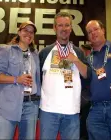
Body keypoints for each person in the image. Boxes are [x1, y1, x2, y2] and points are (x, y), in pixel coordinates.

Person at [39, 11, 91, 140]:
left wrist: (75, 60)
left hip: (72, 111)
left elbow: (87, 75)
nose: (64, 28)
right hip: (48, 110)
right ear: (54, 28)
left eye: (67, 25)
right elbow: (38, 78)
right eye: (60, 25)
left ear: (71, 28)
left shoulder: (78, 52)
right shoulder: (45, 52)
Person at [0, 21, 41, 140]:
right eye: (25, 30)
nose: (29, 33)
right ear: (19, 32)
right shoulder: (6, 50)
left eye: (31, 32)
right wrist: (17, 79)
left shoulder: (35, 54)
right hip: (9, 105)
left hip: (31, 106)